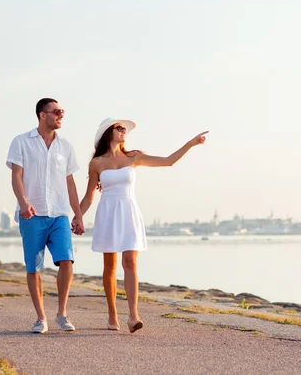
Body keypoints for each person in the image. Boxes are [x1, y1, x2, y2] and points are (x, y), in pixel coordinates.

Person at [77, 117, 208, 333]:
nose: (123, 131)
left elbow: (168, 161)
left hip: (128, 211)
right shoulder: (97, 163)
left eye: (124, 129)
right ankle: (112, 315)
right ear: (108, 132)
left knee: (130, 261)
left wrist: (191, 143)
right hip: (108, 213)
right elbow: (89, 196)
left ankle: (133, 315)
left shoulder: (134, 156)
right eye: (119, 128)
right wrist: (78, 216)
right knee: (110, 265)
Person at [6, 98, 85, 334]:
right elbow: (16, 176)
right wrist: (23, 203)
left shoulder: (66, 147)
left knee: (67, 261)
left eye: (62, 112)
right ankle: (41, 318)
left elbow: (70, 183)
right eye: (57, 111)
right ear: (43, 115)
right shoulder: (21, 142)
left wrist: (78, 215)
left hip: (59, 214)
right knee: (33, 267)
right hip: (32, 215)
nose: (61, 115)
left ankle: (62, 313)